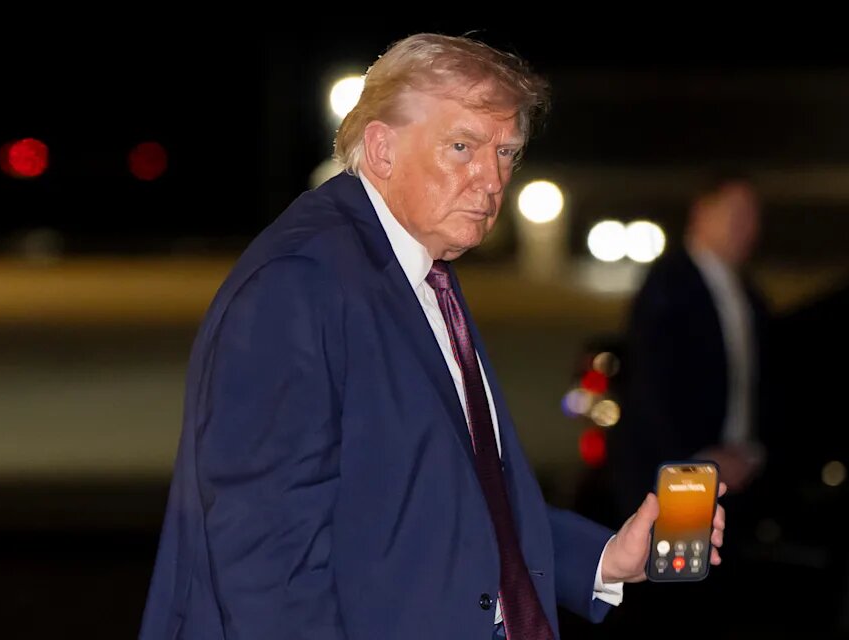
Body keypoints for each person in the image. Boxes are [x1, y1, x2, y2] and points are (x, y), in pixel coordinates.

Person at [139, 33, 726, 640]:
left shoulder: (416, 266)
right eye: (462, 147)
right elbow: (264, 556)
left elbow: (452, 497)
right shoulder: (299, 282)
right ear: (382, 149)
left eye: (506, 152)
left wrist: (603, 558)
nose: (491, 179)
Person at [608, 174, 770, 524]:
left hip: (735, 477)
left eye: (752, 216)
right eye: (735, 213)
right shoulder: (669, 284)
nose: (746, 227)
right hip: (679, 473)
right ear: (702, 212)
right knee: (679, 557)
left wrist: (750, 452)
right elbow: (651, 381)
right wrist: (696, 456)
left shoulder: (749, 296)